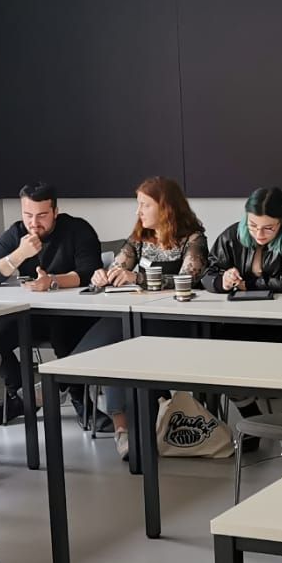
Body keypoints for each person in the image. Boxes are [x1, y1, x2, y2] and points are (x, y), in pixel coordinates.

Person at [79, 177, 208, 458]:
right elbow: (118, 267)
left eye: (145, 205)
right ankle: (123, 430)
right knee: (116, 348)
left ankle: (66, 380)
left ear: (166, 207)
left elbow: (188, 279)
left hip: (176, 322)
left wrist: (136, 277)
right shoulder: (139, 237)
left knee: (120, 344)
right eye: (138, 204)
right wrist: (103, 275)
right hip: (139, 319)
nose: (139, 211)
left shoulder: (193, 239)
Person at [0, 181, 103, 423]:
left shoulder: (77, 229)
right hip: (31, 314)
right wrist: (18, 255)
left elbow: (90, 272)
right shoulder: (16, 234)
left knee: (64, 335)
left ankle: (80, 401)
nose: (34, 223)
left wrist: (52, 281)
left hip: (73, 313)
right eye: (28, 215)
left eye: (42, 215)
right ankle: (22, 396)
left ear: (55, 211)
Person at [201, 186, 282, 294]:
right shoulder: (232, 236)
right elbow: (207, 274)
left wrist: (251, 285)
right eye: (253, 225)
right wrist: (223, 281)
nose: (259, 234)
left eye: (268, 228)